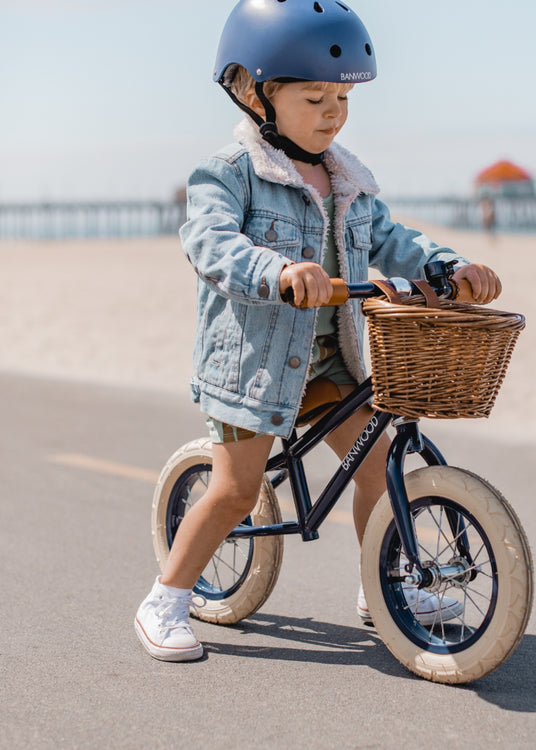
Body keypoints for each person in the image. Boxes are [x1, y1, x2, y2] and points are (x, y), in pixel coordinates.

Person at [135, 0, 502, 662]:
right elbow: (209, 241)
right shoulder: (231, 172)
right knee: (236, 490)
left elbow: (393, 239)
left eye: (342, 98)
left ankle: (383, 584)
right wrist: (276, 270)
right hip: (254, 367)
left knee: (375, 464)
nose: (333, 112)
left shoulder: (347, 178)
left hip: (333, 365)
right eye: (314, 97)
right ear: (252, 91)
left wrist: (448, 265)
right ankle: (165, 598)